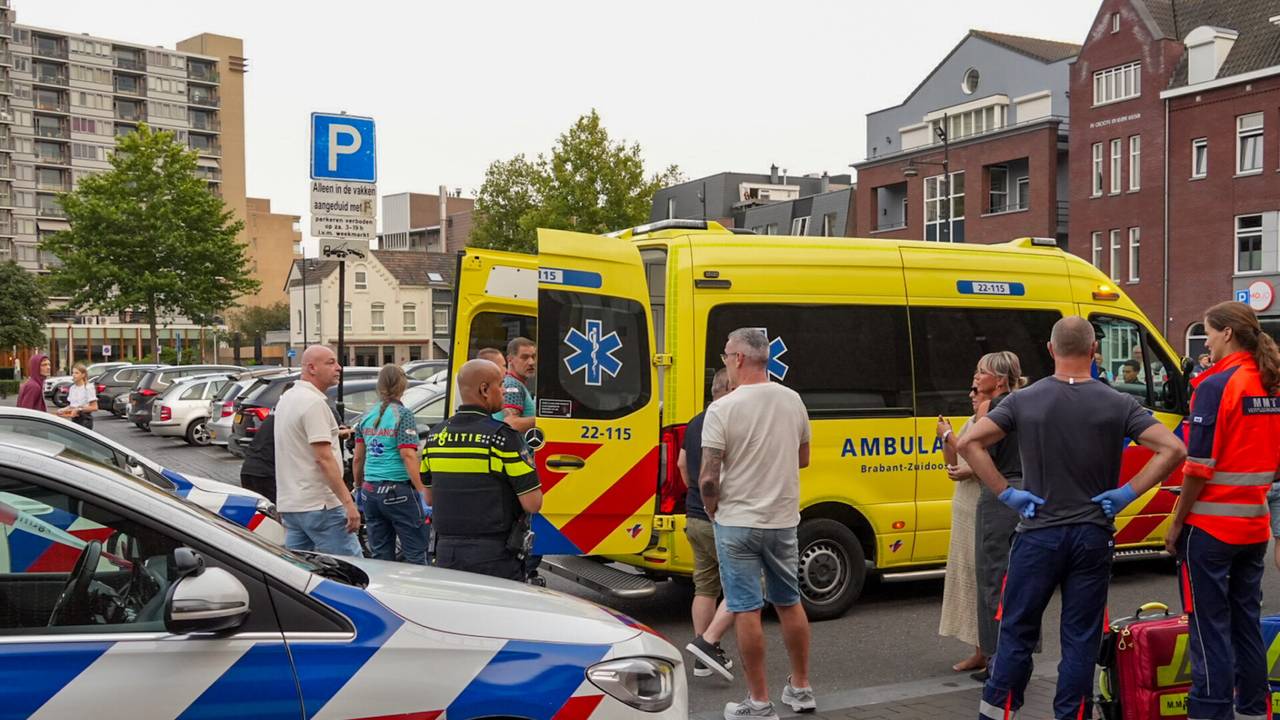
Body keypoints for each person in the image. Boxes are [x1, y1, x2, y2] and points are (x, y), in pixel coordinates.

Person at [958, 316, 1186, 720]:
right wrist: (1126, 493)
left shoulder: (1024, 400)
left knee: (1016, 633)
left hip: (1037, 534)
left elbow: (969, 443)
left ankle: (997, 714)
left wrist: (1007, 492)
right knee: (1080, 639)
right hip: (1092, 536)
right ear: (1094, 351)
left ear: (1050, 350)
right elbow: (1173, 449)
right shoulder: (1118, 402)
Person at [1163, 301, 1280, 720]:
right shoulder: (1269, 383)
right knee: (1246, 623)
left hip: (1210, 528)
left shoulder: (1216, 385)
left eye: (1209, 333)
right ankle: (1253, 710)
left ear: (1227, 333)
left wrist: (1176, 522)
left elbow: (1198, 467)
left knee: (1208, 628)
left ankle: (1211, 712)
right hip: (1254, 526)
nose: (1206, 342)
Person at [700, 328, 815, 718]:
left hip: (737, 521)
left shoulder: (722, 408)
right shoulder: (792, 399)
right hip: (782, 520)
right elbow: (803, 458)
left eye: (725, 355)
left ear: (738, 358)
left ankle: (759, 701)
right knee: (789, 602)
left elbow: (708, 477)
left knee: (746, 609)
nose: (725, 362)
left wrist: (711, 508)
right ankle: (801, 688)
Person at [425, 359, 543, 581]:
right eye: (501, 384)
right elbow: (533, 503)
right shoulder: (503, 438)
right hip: (494, 556)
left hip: (446, 553)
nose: (504, 391)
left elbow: (429, 497)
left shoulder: (435, 436)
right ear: (485, 390)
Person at [273, 345, 362, 556]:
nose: (339, 367)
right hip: (321, 505)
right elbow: (324, 458)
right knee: (354, 567)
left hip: (292, 505)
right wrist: (348, 503)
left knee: (296, 568)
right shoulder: (313, 404)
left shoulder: (287, 399)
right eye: (331, 363)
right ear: (312, 368)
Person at [969, 352, 1025, 682]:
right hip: (1028, 492)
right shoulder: (1027, 404)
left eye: (982, 372)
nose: (976, 377)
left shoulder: (990, 409)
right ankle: (1021, 655)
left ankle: (995, 661)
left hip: (999, 494)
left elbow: (975, 453)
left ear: (1000, 380)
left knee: (991, 578)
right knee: (1021, 578)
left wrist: (947, 437)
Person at [681, 368, 736, 681]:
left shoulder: (695, 421)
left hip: (693, 515)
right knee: (749, 584)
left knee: (704, 587)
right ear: (728, 388)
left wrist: (694, 495)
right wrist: (712, 504)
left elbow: (681, 464)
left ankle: (703, 657)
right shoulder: (725, 420)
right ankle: (708, 643)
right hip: (718, 515)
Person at [935, 379, 992, 678]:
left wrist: (949, 435)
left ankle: (990, 653)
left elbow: (984, 463)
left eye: (976, 390)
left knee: (983, 580)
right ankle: (980, 650)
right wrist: (947, 440)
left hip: (981, 508)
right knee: (969, 579)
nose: (970, 395)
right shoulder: (972, 421)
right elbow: (954, 461)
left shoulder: (994, 423)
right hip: (965, 507)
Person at [353, 364, 431, 565]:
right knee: (416, 555)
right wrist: (422, 491)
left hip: (370, 491)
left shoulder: (366, 417)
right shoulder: (403, 415)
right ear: (403, 386)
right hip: (398, 491)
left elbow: (358, 458)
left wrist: (358, 488)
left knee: (380, 557)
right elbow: (408, 455)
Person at [241, 411, 279, 503]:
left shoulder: (272, 417)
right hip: (266, 473)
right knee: (272, 508)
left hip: (248, 469)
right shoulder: (284, 419)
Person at [499, 337, 536, 433]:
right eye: (525, 357)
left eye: (533, 357)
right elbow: (511, 424)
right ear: (510, 359)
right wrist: (545, 419)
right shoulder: (512, 386)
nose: (531, 362)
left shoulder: (517, 384)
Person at [59, 363, 98, 430]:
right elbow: (72, 405)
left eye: (76, 373)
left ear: (83, 375)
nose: (73, 375)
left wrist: (79, 409)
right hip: (74, 420)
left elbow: (94, 407)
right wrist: (63, 410)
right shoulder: (72, 388)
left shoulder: (88, 387)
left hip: (85, 420)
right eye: (73, 373)